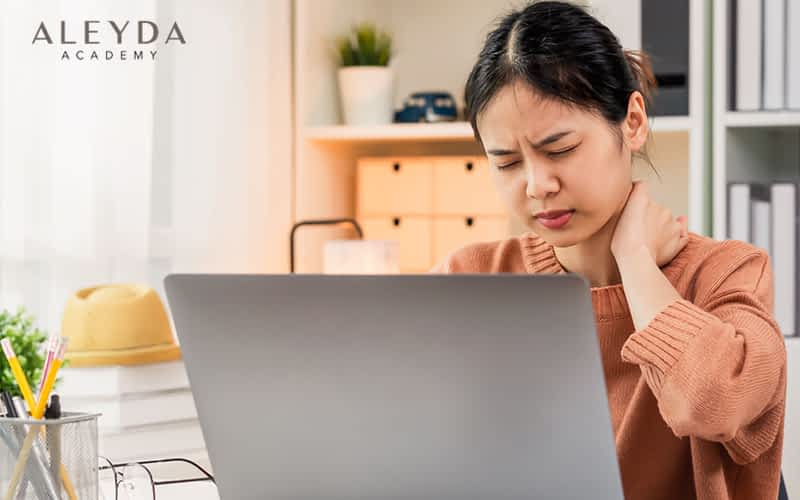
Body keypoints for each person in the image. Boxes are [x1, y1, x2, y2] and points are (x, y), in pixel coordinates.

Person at [431, 2, 787, 499]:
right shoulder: (469, 277)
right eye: (507, 163)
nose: (536, 185)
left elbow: (711, 404)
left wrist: (635, 261)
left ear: (633, 122)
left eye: (559, 149)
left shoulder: (728, 274)